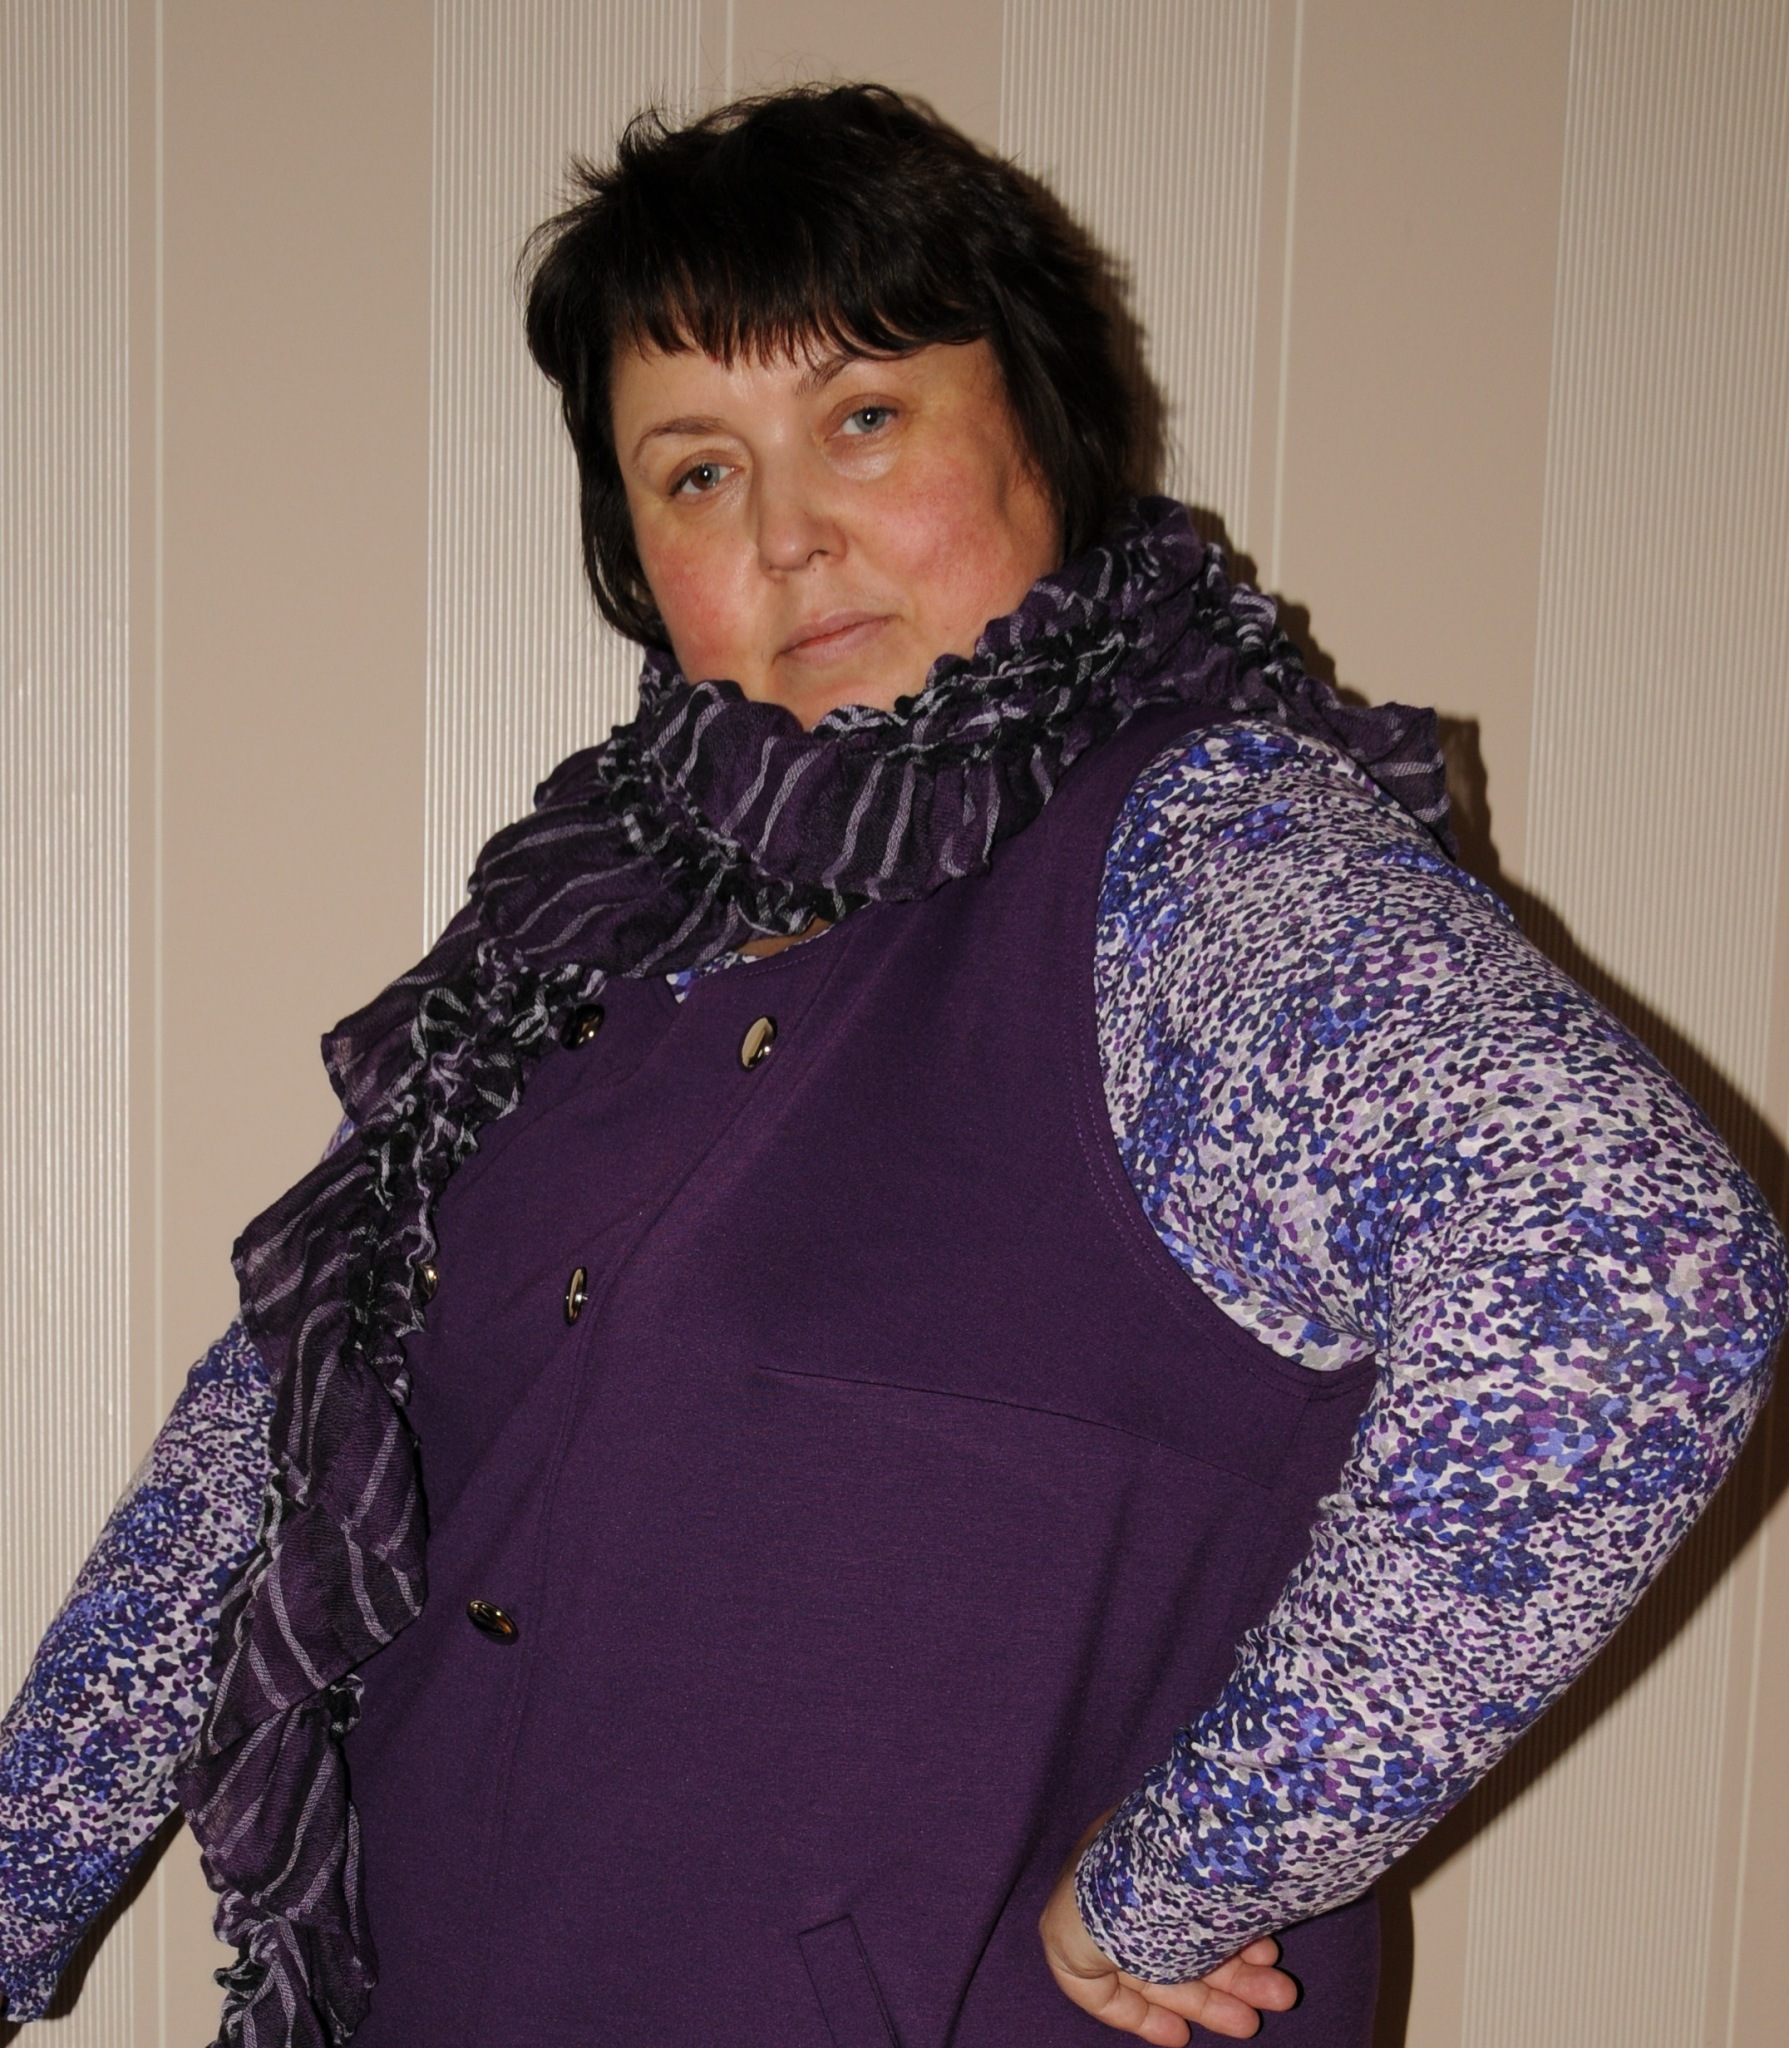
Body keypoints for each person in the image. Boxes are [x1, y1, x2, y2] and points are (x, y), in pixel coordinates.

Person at [0, 84, 1782, 2048]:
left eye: (862, 417)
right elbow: (245, 1476)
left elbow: (1634, 1281)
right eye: (696, 471)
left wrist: (1197, 1866)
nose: (787, 533)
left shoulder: (1195, 870)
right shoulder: (573, 939)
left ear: (1043, 427)